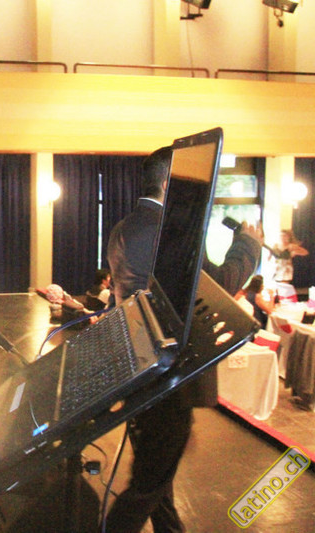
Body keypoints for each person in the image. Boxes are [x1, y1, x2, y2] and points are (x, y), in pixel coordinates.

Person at [104, 146, 262, 533]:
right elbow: (215, 287)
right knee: (147, 487)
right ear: (167, 183)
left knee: (156, 482)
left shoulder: (126, 227)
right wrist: (248, 245)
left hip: (142, 367)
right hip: (167, 374)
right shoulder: (170, 230)